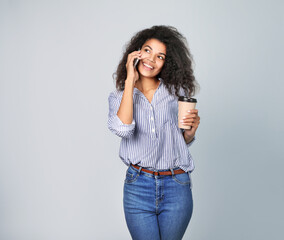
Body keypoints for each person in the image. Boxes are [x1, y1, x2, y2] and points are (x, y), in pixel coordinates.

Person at [107, 25, 200, 240]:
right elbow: (123, 128)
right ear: (136, 52)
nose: (151, 59)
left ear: (167, 63)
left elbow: (180, 140)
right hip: (138, 186)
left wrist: (190, 134)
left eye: (160, 56)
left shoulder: (177, 93)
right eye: (147, 50)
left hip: (176, 185)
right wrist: (130, 80)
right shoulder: (118, 97)